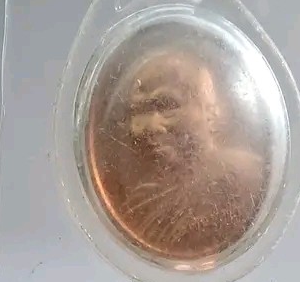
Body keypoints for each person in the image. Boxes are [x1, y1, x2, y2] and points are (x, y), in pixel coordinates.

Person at [107, 49, 267, 261]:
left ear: (211, 113)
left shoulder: (245, 177)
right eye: (138, 111)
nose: (149, 126)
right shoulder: (142, 202)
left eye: (166, 105)